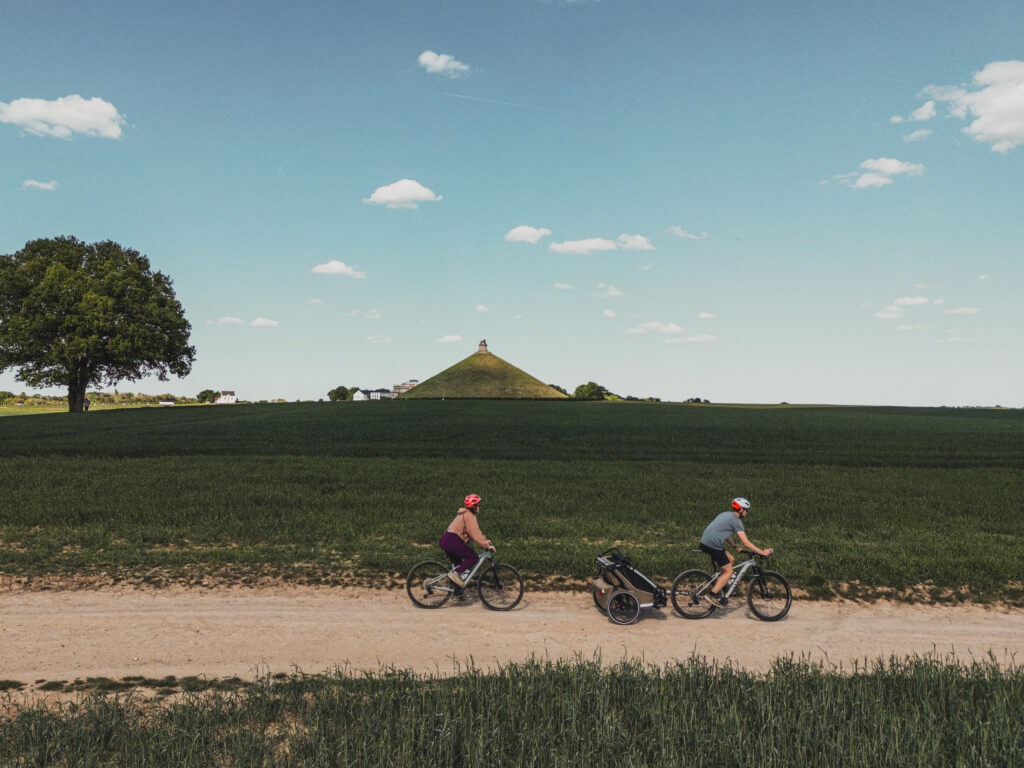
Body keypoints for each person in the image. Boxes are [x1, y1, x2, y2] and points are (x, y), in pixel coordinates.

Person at [699, 497, 773, 608]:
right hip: (713, 545)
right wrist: (762, 552)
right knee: (728, 572)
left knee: (731, 559)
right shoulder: (737, 521)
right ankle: (712, 594)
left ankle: (721, 586)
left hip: (705, 542)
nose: (747, 513)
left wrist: (734, 546)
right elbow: (746, 543)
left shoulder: (725, 514)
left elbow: (725, 533)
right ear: (741, 510)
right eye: (746, 510)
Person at [439, 494, 494, 586]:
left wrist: (485, 541)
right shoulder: (469, 516)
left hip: (447, 540)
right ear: (473, 506)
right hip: (452, 541)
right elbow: (475, 534)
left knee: (459, 566)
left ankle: (457, 590)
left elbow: (473, 533)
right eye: (478, 505)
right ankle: (455, 574)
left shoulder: (464, 514)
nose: (480, 507)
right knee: (473, 557)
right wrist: (487, 545)